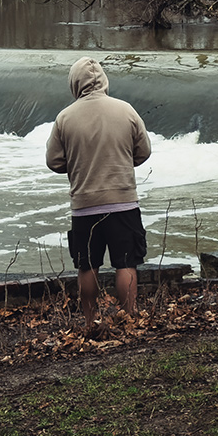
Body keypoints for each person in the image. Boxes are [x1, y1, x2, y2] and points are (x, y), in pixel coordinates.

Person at [47, 56, 152, 321]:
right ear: (104, 80)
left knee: (87, 265)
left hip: (84, 206)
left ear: (75, 83)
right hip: (123, 202)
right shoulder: (126, 110)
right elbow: (144, 151)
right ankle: (129, 317)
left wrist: (77, 166)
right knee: (126, 263)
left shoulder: (65, 118)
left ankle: (90, 320)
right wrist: (123, 162)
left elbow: (54, 161)